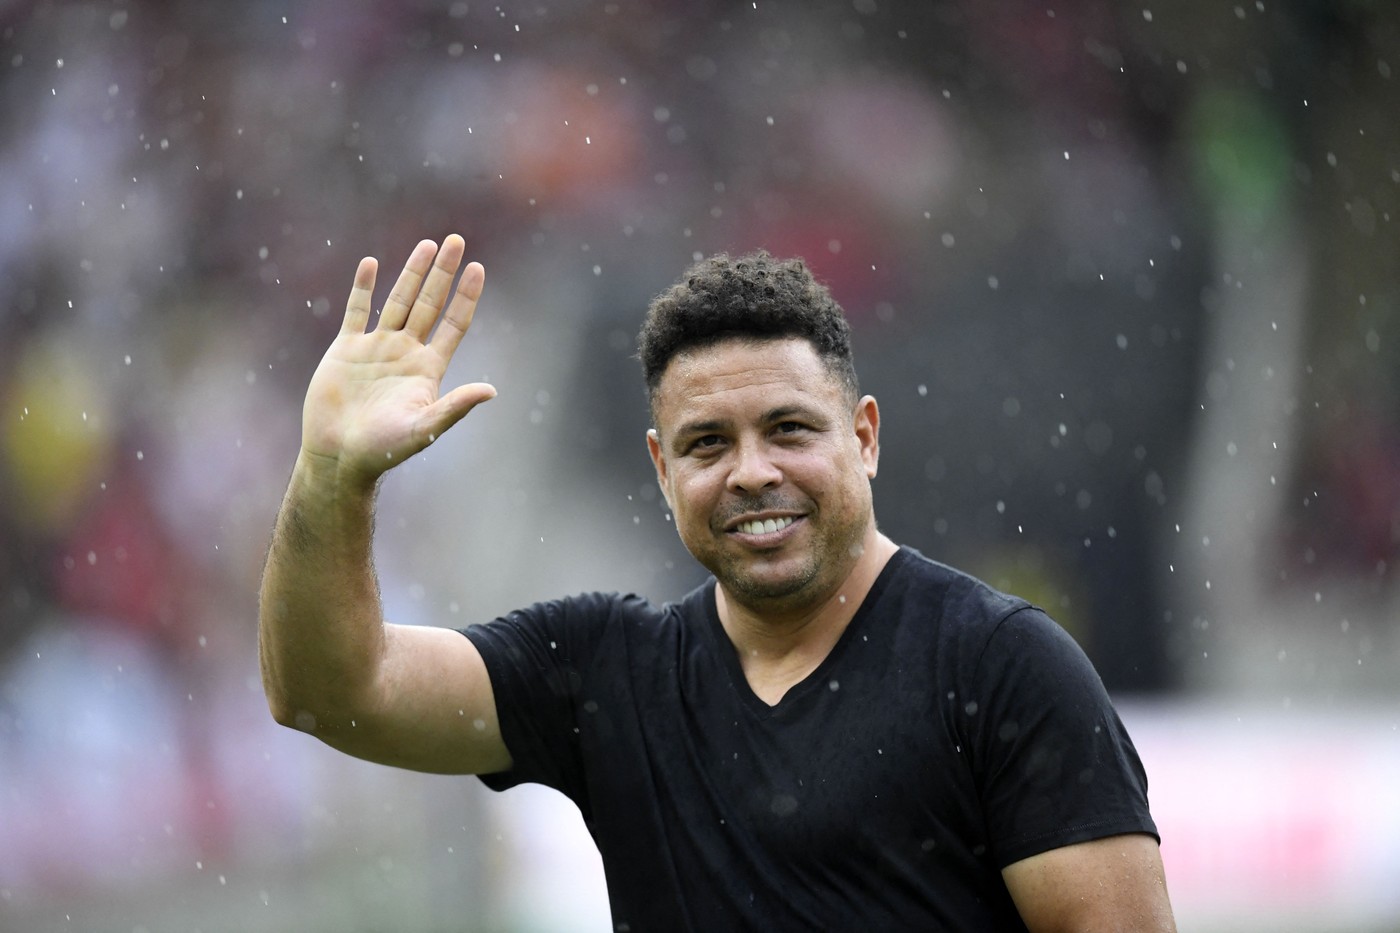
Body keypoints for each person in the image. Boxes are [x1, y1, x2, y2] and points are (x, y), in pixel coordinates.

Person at [259, 234, 1177, 932]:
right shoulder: (604, 671)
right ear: (661, 470)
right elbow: (332, 691)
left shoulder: (1000, 669)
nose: (750, 472)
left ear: (863, 436)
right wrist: (332, 477)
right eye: (708, 444)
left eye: (788, 429)